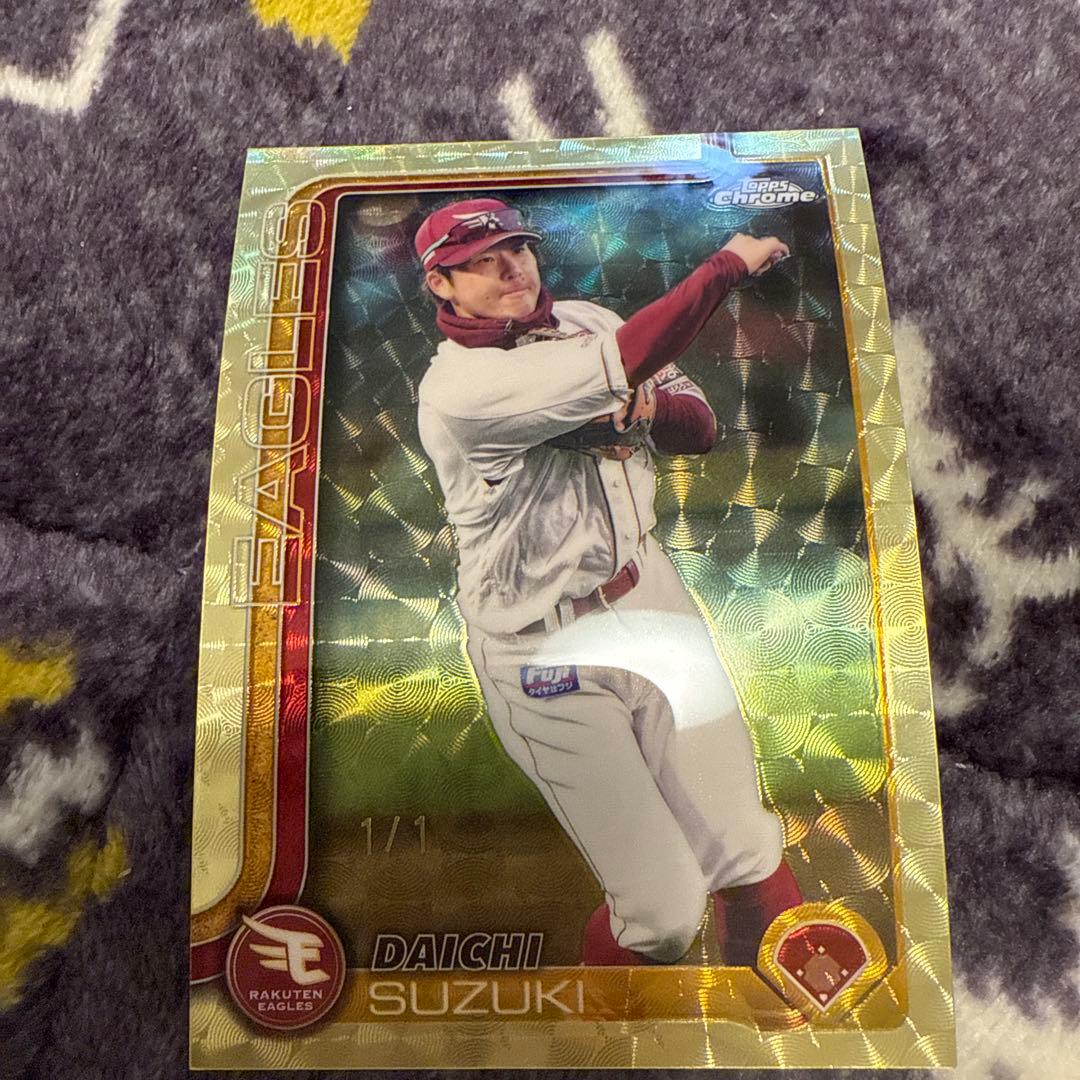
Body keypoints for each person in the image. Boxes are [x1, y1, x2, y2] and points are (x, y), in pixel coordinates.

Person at [414, 197, 803, 966]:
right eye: (480, 261)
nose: (510, 267)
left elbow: (700, 427)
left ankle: (789, 1001)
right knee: (663, 913)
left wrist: (645, 412)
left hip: (646, 595)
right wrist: (727, 265)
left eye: (517, 248)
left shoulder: (587, 320)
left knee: (745, 849)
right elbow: (628, 360)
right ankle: (607, 1019)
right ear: (441, 285)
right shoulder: (460, 388)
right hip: (541, 649)